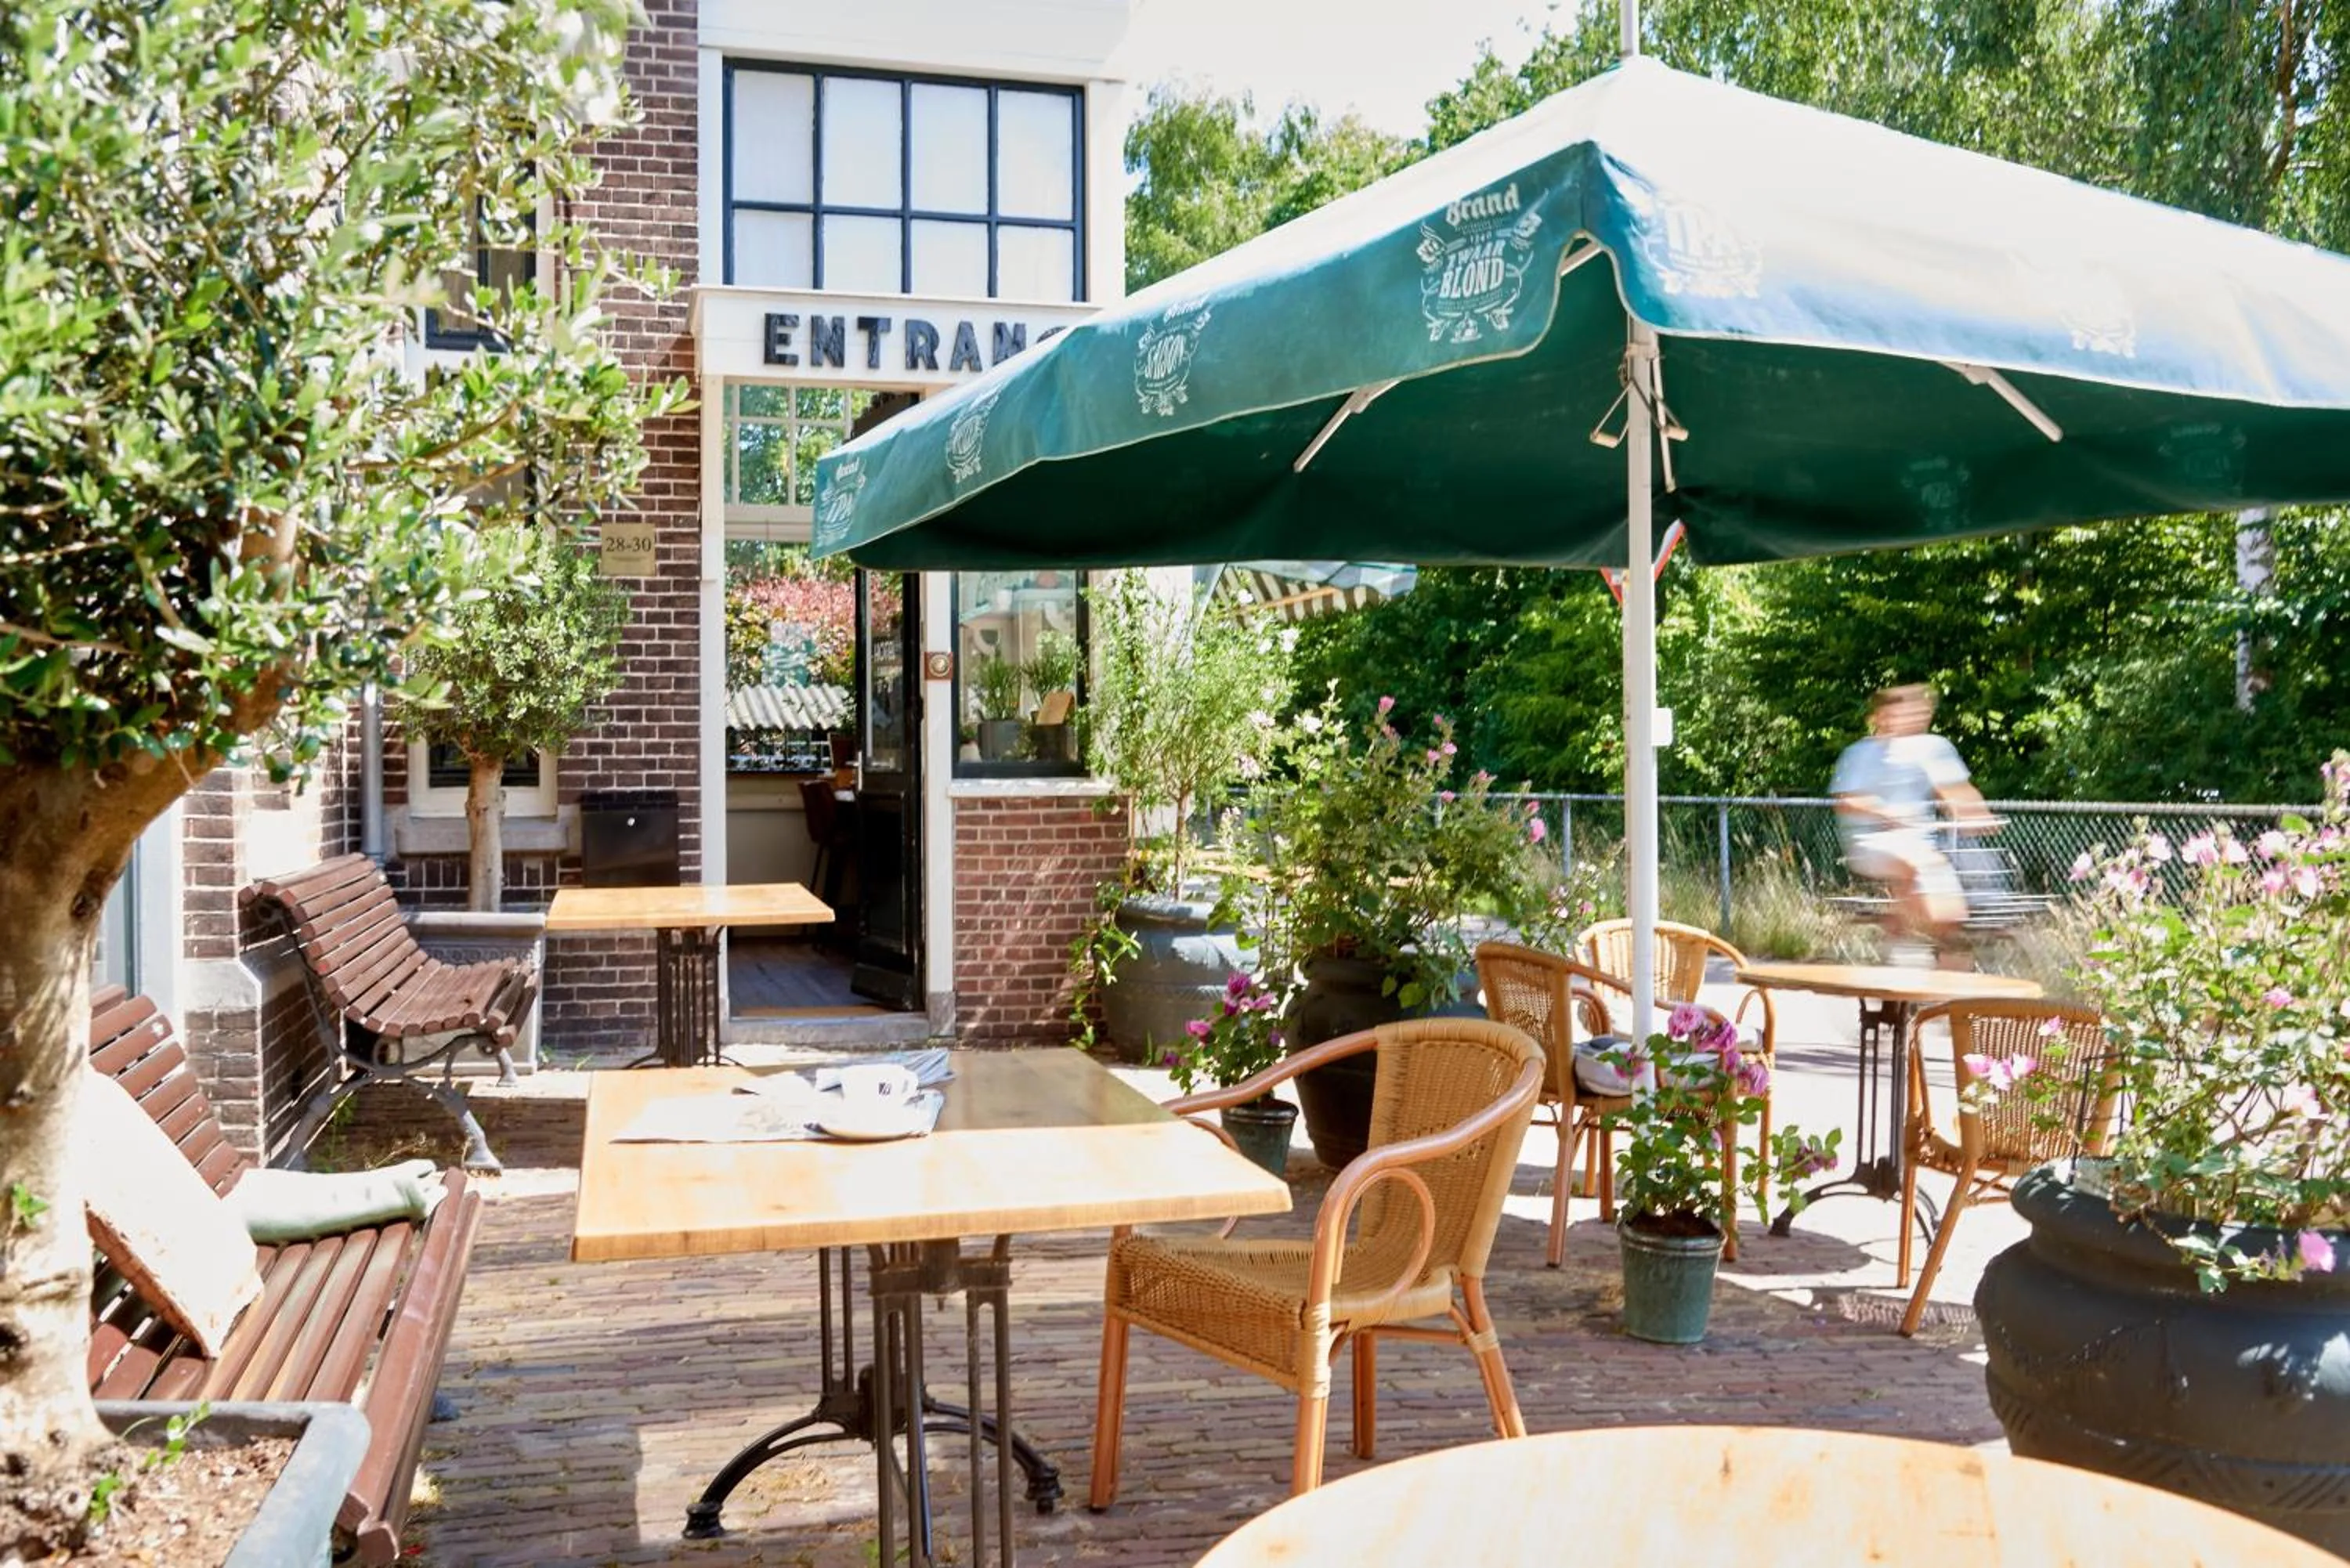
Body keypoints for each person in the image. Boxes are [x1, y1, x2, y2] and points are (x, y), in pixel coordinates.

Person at [1831, 685, 1996, 955]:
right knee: (1923, 868)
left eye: (1919, 712)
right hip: (1871, 839)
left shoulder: (1933, 747)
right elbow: (1847, 801)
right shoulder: (1861, 753)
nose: (1911, 719)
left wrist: (1976, 813)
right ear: (1879, 716)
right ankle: (1933, 939)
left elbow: (1956, 789)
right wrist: (1887, 813)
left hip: (1917, 842)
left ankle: (1919, 950)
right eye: (1898, 713)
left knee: (1940, 897)